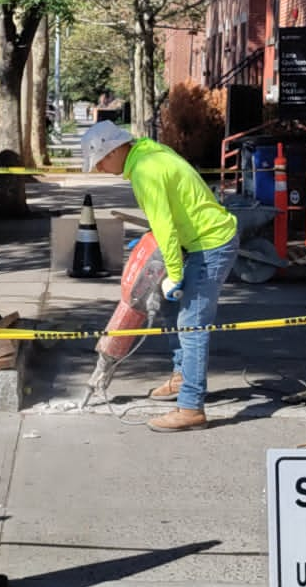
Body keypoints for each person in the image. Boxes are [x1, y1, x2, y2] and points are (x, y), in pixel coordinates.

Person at [81, 121, 239, 432]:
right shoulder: (148, 153)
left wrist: (175, 275)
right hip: (195, 241)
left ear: (115, 150)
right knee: (167, 309)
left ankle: (192, 407)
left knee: (191, 323)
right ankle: (182, 376)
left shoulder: (145, 171)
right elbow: (167, 219)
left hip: (210, 243)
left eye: (100, 160)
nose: (99, 167)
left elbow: (165, 226)